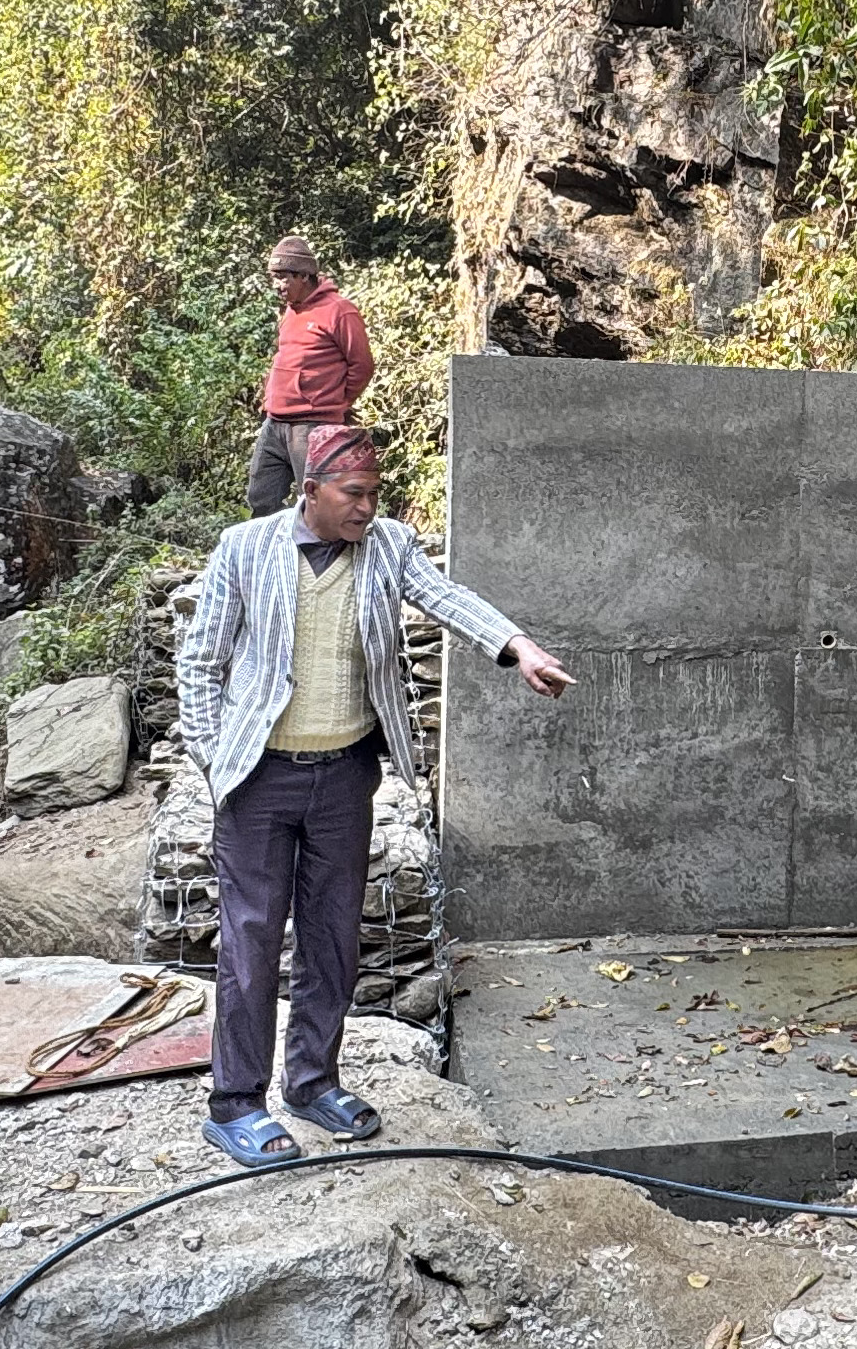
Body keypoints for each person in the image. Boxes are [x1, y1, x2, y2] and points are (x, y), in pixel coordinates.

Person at [176, 423, 574, 1163]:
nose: (367, 507)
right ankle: (234, 1104)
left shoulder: (387, 546)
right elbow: (199, 664)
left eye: (374, 493)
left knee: (332, 938)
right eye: (353, 494)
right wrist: (212, 756)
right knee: (253, 940)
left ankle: (312, 1081)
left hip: (344, 773)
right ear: (311, 492)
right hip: (259, 778)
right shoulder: (245, 547)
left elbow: (446, 597)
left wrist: (517, 647)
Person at [245, 233, 376, 515]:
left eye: (283, 278)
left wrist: (334, 404)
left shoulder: (339, 311)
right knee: (260, 500)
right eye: (273, 277)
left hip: (313, 426)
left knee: (317, 504)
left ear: (304, 276)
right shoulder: (291, 313)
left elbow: (362, 366)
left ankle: (322, 558)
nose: (277, 286)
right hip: (275, 423)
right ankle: (271, 556)